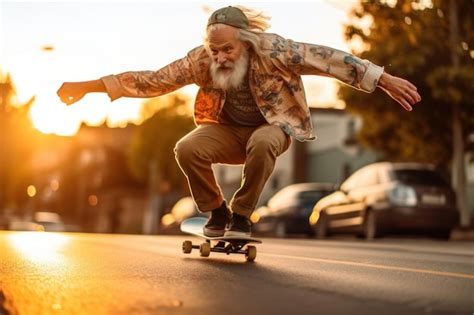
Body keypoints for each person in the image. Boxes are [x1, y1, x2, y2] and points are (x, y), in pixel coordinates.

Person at [57, 5, 421, 237]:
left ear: (247, 42)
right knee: (186, 147)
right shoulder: (201, 60)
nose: (221, 57)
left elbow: (329, 59)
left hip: (273, 129)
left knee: (263, 141)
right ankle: (217, 210)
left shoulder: (276, 50)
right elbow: (152, 80)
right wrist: (89, 87)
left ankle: (243, 216)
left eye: (228, 49)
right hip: (227, 133)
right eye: (215, 50)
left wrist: (381, 79)